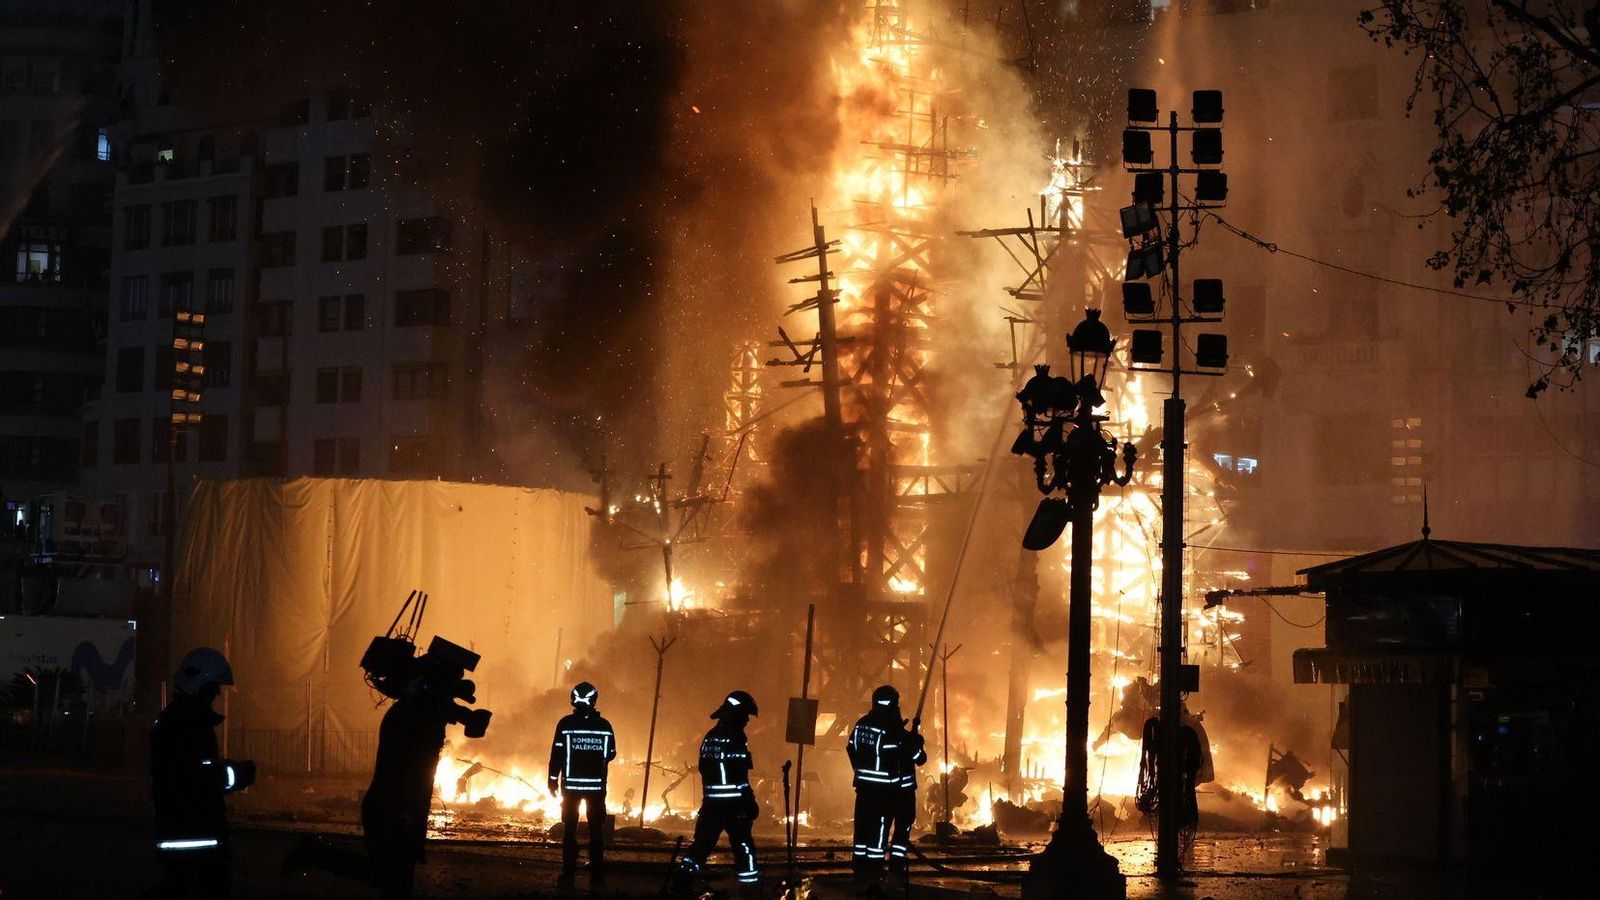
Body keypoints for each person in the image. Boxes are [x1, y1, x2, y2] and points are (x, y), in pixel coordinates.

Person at [283, 640, 489, 899]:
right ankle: (315, 854)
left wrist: (457, 700)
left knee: (393, 879)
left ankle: (315, 854)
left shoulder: (412, 706)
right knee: (391, 878)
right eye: (454, 676)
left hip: (396, 806)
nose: (456, 682)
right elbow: (436, 703)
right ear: (439, 675)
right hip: (396, 808)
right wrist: (467, 715)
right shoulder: (420, 709)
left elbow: (435, 700)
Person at [147, 647, 256, 899]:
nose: (217, 693)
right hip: (194, 840)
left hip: (188, 837)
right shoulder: (185, 725)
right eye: (213, 686)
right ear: (199, 683)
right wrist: (237, 774)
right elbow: (195, 777)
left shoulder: (178, 721)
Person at [675, 690, 760, 891]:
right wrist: (748, 799)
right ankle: (750, 889)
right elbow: (739, 775)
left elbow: (703, 768)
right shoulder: (736, 738)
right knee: (744, 848)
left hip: (711, 805)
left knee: (700, 847)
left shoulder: (710, 737)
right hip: (733, 806)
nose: (747, 720)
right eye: (745, 715)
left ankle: (681, 883)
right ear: (737, 714)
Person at [846, 684, 925, 878]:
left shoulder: (861, 725)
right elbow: (919, 758)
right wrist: (914, 741)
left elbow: (850, 748)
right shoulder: (893, 733)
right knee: (882, 833)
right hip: (891, 794)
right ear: (893, 705)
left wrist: (859, 771)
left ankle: (860, 868)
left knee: (862, 831)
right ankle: (884, 870)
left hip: (864, 789)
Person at [548, 681, 616, 885]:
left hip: (571, 787)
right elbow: (611, 754)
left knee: (570, 829)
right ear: (594, 700)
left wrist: (552, 781)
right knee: (596, 831)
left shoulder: (566, 724)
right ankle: (597, 877)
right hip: (596, 788)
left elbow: (557, 754)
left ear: (573, 699)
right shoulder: (604, 726)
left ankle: (568, 875)